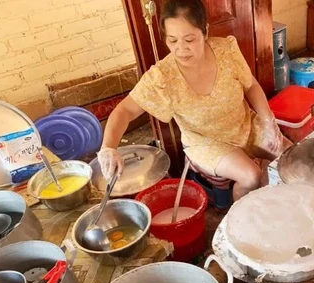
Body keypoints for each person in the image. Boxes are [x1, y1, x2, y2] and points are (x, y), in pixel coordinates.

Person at [97, 0, 291, 200]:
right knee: (251, 176)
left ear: (205, 32)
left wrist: (268, 121)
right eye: (173, 40)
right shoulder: (163, 77)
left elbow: (251, 86)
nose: (181, 49)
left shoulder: (226, 51)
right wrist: (108, 148)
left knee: (291, 157)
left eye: (189, 39)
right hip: (205, 141)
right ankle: (237, 214)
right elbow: (125, 110)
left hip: (244, 126)